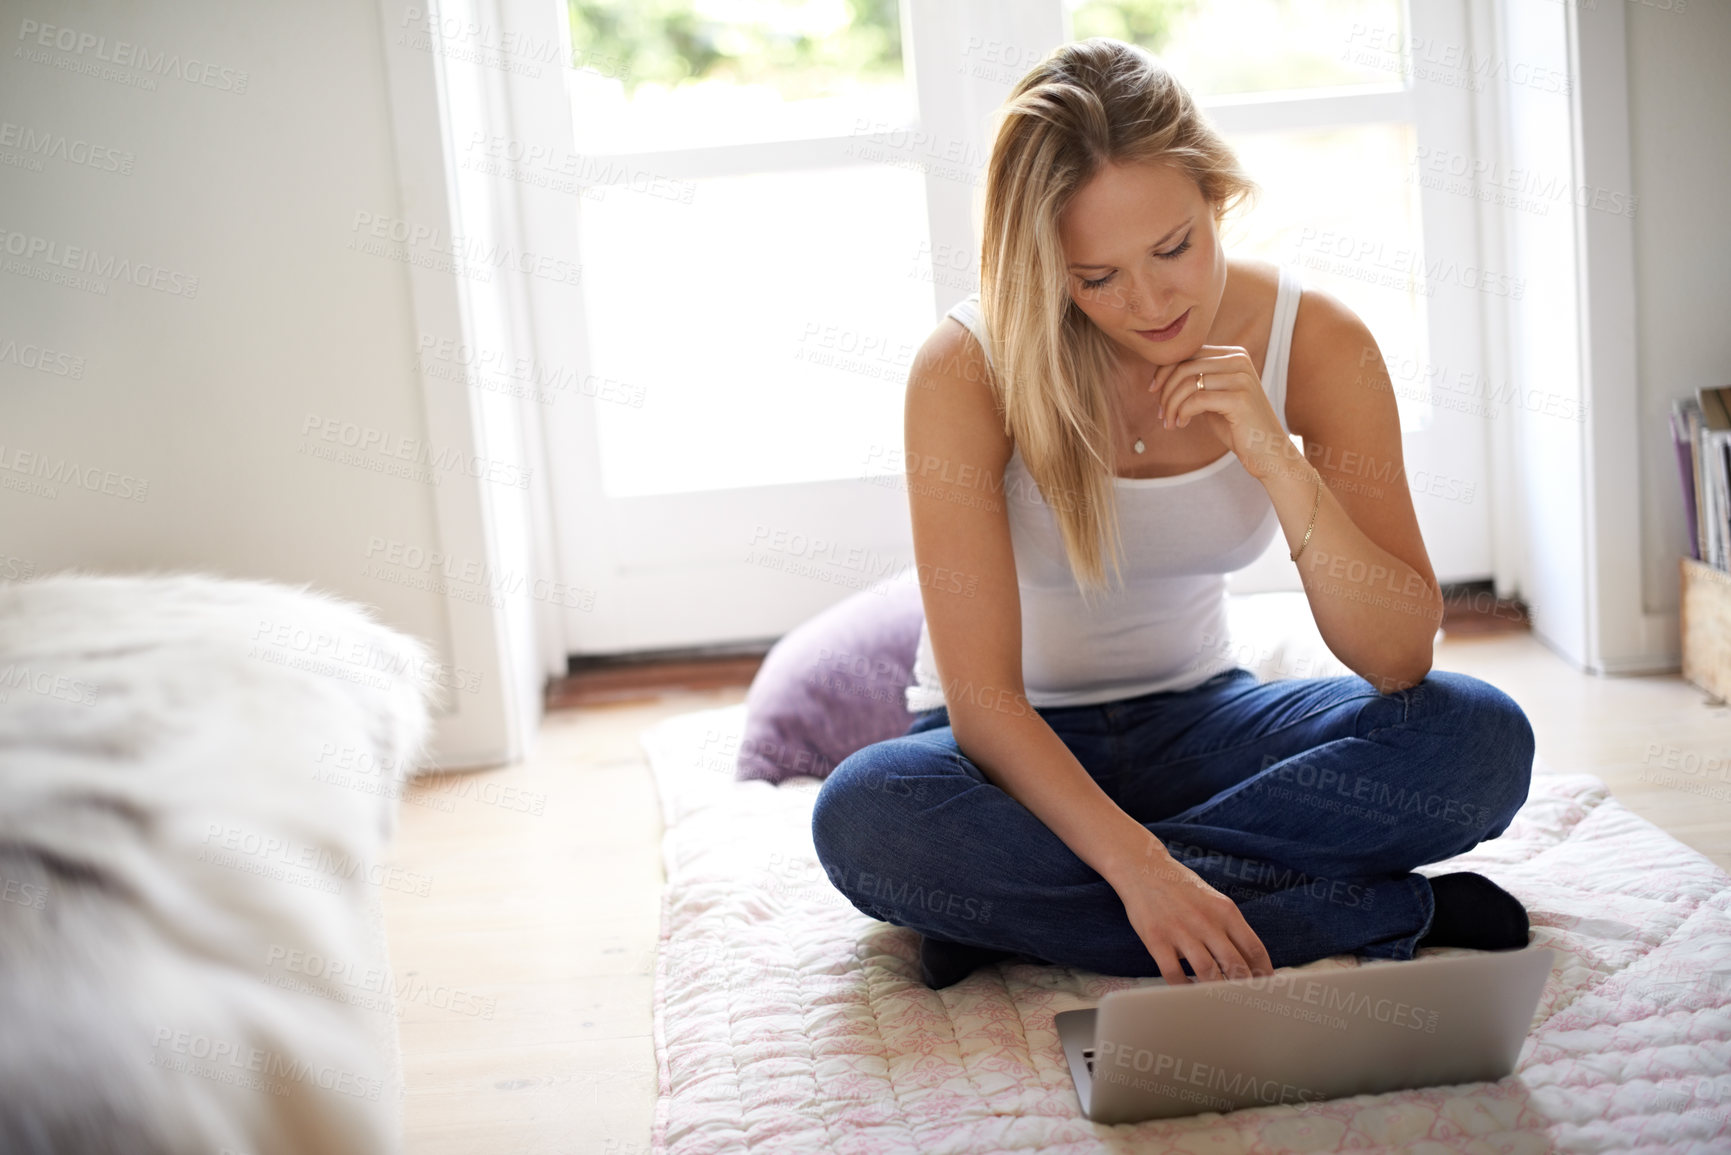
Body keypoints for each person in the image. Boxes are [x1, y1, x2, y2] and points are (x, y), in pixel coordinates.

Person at [810, 38, 1535, 991]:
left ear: (1215, 197)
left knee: (1476, 739)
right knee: (869, 817)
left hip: (1206, 729)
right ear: (1043, 265)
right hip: (1007, 752)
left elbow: (1398, 656)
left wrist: (1272, 451)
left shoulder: (1317, 341)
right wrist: (1140, 868)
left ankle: (1030, 916)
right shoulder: (965, 366)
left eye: (1172, 248)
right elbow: (984, 704)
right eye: (1095, 276)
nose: (1149, 301)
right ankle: (1376, 908)